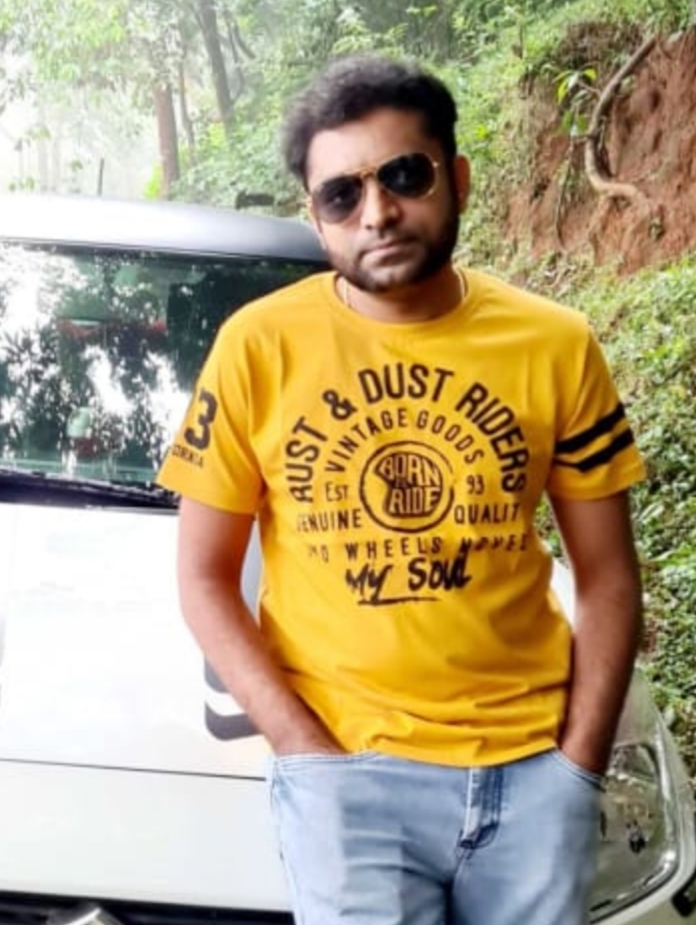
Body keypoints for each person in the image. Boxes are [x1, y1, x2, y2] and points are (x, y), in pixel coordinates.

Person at [158, 53, 644, 925]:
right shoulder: (258, 348)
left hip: (533, 775)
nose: (377, 212)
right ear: (315, 216)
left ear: (457, 177)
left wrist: (578, 765)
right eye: (342, 194)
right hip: (350, 782)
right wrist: (305, 751)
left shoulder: (555, 345)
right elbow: (202, 577)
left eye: (404, 176)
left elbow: (608, 574)